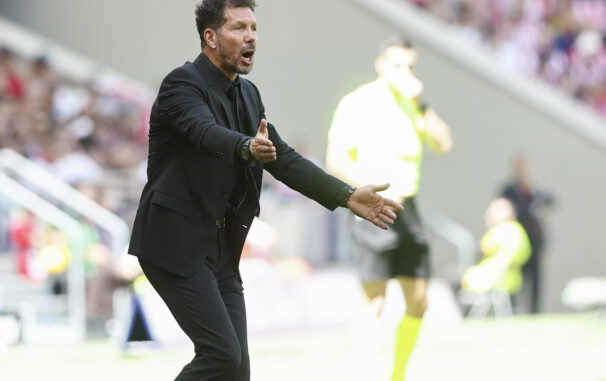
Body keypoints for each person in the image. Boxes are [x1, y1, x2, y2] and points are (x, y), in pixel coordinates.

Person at [127, 1, 404, 380]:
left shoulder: (248, 94)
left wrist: (347, 195)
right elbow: (203, 132)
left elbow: (283, 159)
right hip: (174, 245)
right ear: (210, 36)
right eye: (239, 27)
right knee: (222, 355)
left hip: (220, 252)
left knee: (237, 371)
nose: (251, 36)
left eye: (254, 28)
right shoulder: (181, 84)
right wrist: (245, 147)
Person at [326, 37, 452, 381]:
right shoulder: (358, 102)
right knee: (374, 302)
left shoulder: (415, 105)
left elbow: (444, 143)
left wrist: (423, 104)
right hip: (374, 207)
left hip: (408, 209)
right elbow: (335, 159)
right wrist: (365, 187)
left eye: (410, 66)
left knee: (419, 300)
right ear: (381, 64)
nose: (404, 72)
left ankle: (398, 374)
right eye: (397, 65)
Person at [500, 154, 553, 313]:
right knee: (516, 275)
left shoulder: (537, 187)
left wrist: (536, 191)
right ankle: (513, 309)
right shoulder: (509, 189)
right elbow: (510, 208)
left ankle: (535, 310)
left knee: (536, 276)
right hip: (517, 238)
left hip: (535, 238)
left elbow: (551, 202)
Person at [461, 198, 531, 311]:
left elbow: (481, 250)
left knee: (454, 278)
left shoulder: (500, 230)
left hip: (490, 277)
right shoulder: (519, 231)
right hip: (513, 277)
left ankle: (458, 315)